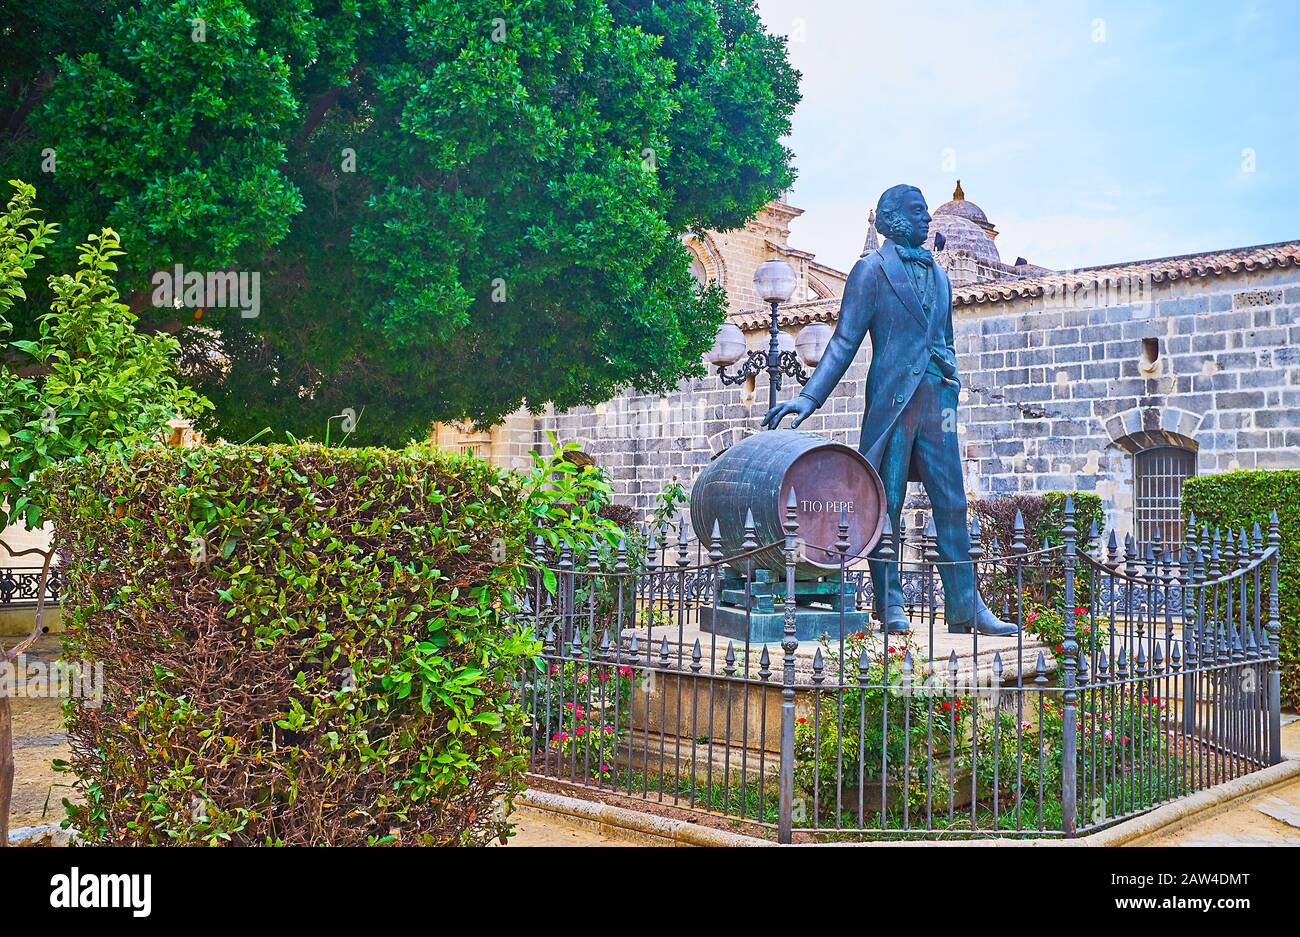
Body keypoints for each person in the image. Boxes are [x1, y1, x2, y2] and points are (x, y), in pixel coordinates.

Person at [763, 184, 1015, 636]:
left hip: (937, 404)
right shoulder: (871, 270)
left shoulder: (939, 276)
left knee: (953, 503)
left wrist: (950, 383)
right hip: (893, 404)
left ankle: (965, 607)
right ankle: (890, 603)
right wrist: (807, 398)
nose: (926, 219)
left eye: (926, 213)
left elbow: (945, 341)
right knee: (887, 503)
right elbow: (843, 342)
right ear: (893, 217)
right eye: (918, 212)